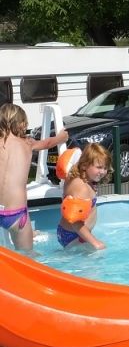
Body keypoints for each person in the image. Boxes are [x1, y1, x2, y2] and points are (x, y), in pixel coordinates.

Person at [0, 103, 68, 252]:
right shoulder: (26, 143)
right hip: (16, 214)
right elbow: (48, 143)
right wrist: (61, 137)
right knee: (28, 257)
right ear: (20, 123)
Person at [57, 143, 111, 250]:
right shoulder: (81, 188)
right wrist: (95, 243)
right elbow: (75, 222)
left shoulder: (78, 176)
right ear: (84, 165)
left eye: (105, 168)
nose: (103, 172)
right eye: (99, 167)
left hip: (72, 233)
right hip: (75, 235)